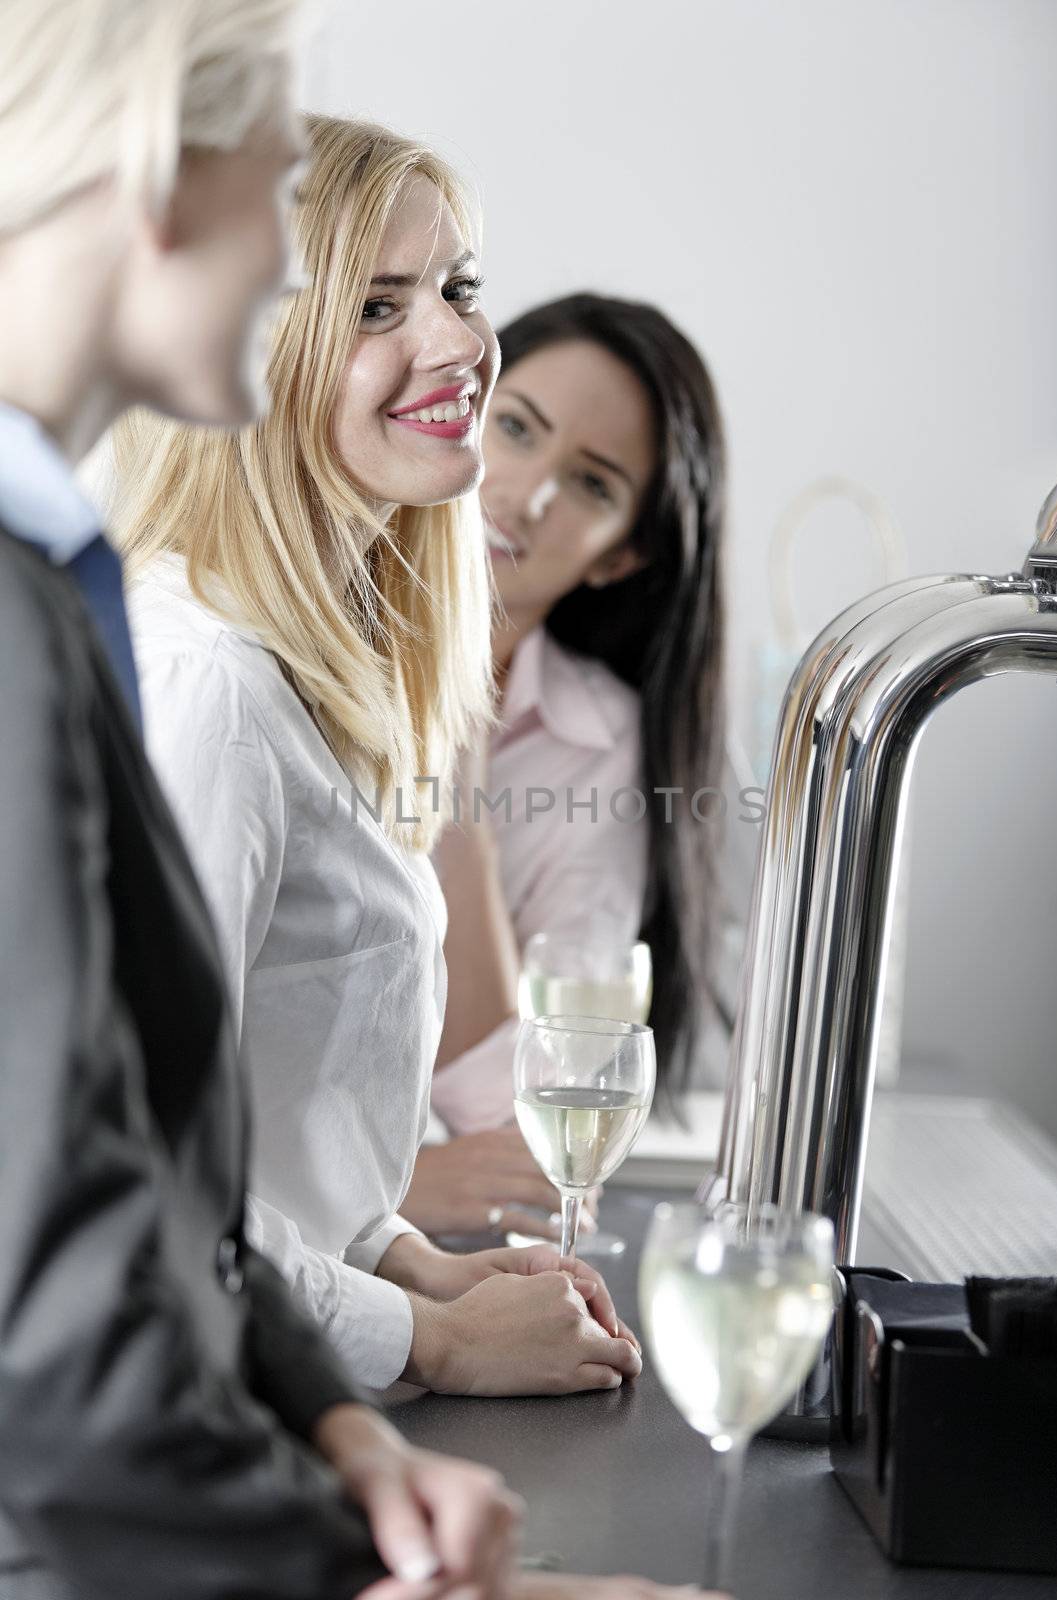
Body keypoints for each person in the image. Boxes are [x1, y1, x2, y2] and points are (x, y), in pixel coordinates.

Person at [0, 4, 534, 1598]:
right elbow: (58, 1274)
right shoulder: (153, 660)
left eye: (446, 287)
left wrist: (341, 1414)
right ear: (167, 181)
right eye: (280, 204)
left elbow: (152, 1149)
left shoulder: (71, 600)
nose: (280, 265)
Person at [110, 117, 642, 1399]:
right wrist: (436, 1341)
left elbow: (271, 1141)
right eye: (376, 305)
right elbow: (134, 1189)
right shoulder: (208, 694)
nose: (460, 343)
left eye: (457, 290)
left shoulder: (309, 677)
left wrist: (405, 1263)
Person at [401, 293, 758, 1241]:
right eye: (515, 427)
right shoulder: (275, 641)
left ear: (620, 556)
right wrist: (387, 1189)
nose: (526, 494)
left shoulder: (601, 740)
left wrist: (459, 790)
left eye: (592, 486)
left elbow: (534, 1127)